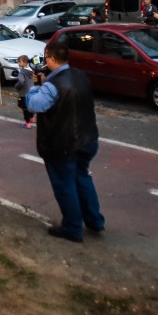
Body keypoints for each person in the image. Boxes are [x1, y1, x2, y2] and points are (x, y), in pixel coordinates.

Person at [24, 40, 105, 242]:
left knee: (65, 185)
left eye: (46, 58)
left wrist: (35, 86)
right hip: (87, 138)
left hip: (62, 144)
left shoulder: (53, 86)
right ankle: (95, 221)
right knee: (82, 178)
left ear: (51, 58)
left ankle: (72, 227)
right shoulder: (80, 76)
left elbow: (34, 105)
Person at [15, 55, 35, 128]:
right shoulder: (32, 70)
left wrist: (17, 86)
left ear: (23, 62)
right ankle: (32, 118)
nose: (18, 64)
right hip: (32, 91)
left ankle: (28, 123)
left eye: (19, 62)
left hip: (24, 93)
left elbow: (21, 81)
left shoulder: (22, 72)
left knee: (25, 108)